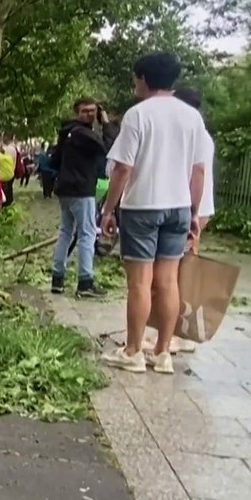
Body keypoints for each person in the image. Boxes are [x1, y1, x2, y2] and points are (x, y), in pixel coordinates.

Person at [100, 53, 212, 375]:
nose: (136, 84)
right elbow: (199, 170)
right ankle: (163, 352)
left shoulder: (138, 115)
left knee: (140, 282)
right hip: (178, 207)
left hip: (142, 207)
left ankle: (133, 351)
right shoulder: (192, 118)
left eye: (137, 78)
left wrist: (109, 210)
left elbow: (122, 168)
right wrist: (193, 210)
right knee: (168, 282)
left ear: (144, 79)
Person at [140, 85, 215, 355]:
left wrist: (193, 212)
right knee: (172, 275)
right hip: (190, 208)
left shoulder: (194, 134)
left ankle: (176, 336)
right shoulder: (196, 132)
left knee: (176, 277)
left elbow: (196, 174)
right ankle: (168, 335)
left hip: (189, 208)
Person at [49, 99, 108, 297]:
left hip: (65, 189)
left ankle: (57, 279)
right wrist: (105, 124)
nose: (90, 115)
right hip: (81, 190)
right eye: (85, 111)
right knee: (87, 234)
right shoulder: (84, 134)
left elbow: (54, 160)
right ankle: (85, 281)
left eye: (93, 111)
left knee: (66, 232)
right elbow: (107, 147)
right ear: (77, 113)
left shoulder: (66, 133)